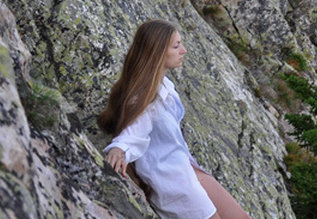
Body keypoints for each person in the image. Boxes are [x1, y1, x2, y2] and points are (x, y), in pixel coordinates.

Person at [98, 20, 251, 219]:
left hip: (186, 167)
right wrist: (119, 149)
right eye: (176, 46)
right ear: (158, 52)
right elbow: (134, 130)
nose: (184, 50)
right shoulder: (144, 98)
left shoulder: (165, 86)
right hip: (172, 181)